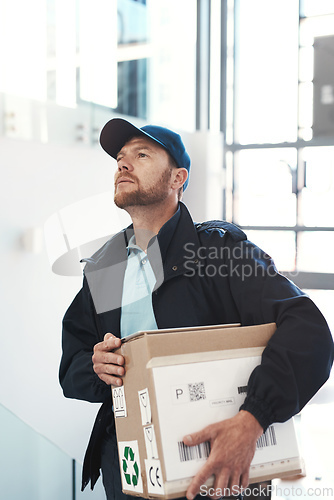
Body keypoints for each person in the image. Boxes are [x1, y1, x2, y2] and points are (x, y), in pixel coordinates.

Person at [59, 118, 334, 500]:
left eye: (141, 154)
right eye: (120, 158)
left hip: (222, 469)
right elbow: (72, 362)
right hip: (130, 471)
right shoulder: (106, 269)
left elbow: (309, 332)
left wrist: (254, 418)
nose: (123, 164)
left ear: (177, 179)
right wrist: (95, 366)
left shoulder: (220, 253)